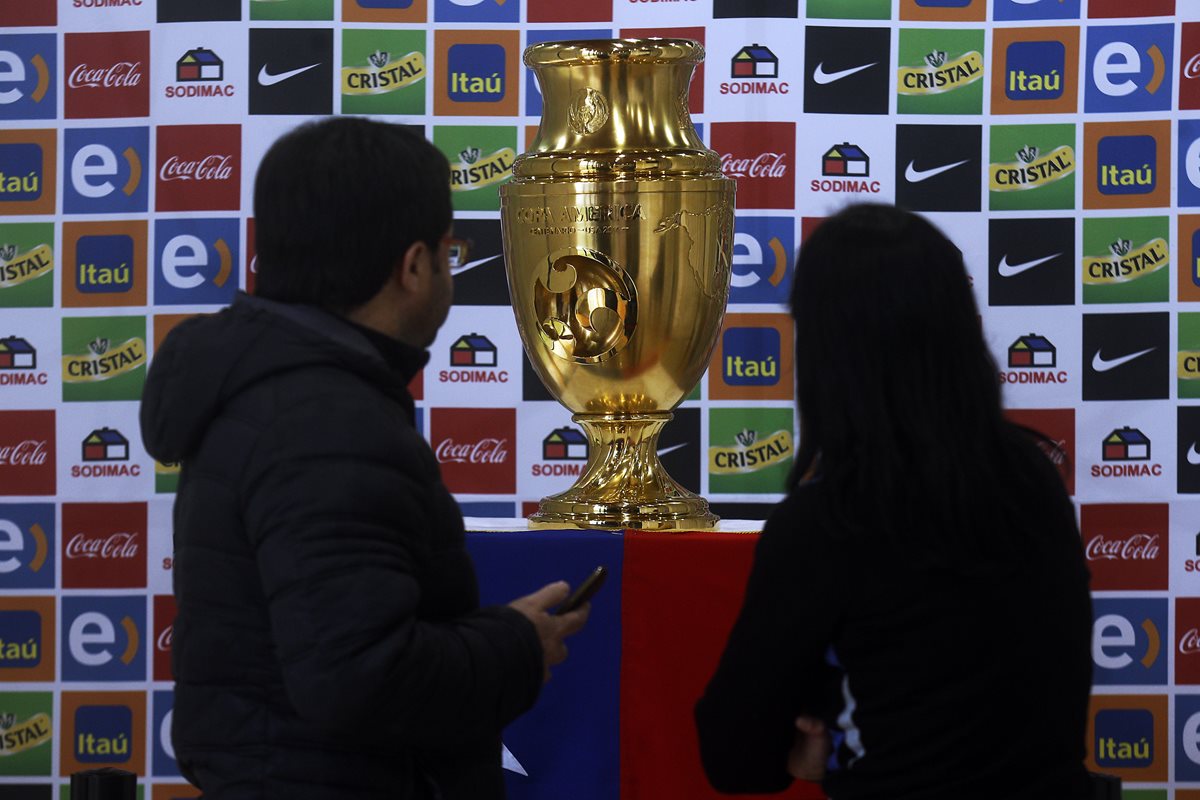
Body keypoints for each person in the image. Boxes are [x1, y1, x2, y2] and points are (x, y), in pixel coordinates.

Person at [140, 117, 589, 800]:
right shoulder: (324, 422)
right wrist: (515, 645)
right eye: (449, 251)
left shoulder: (278, 389)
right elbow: (359, 678)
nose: (448, 271)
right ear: (413, 266)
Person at [694, 204, 1092, 800]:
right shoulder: (1033, 478)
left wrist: (819, 735)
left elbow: (735, 756)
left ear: (827, 353)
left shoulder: (825, 524)